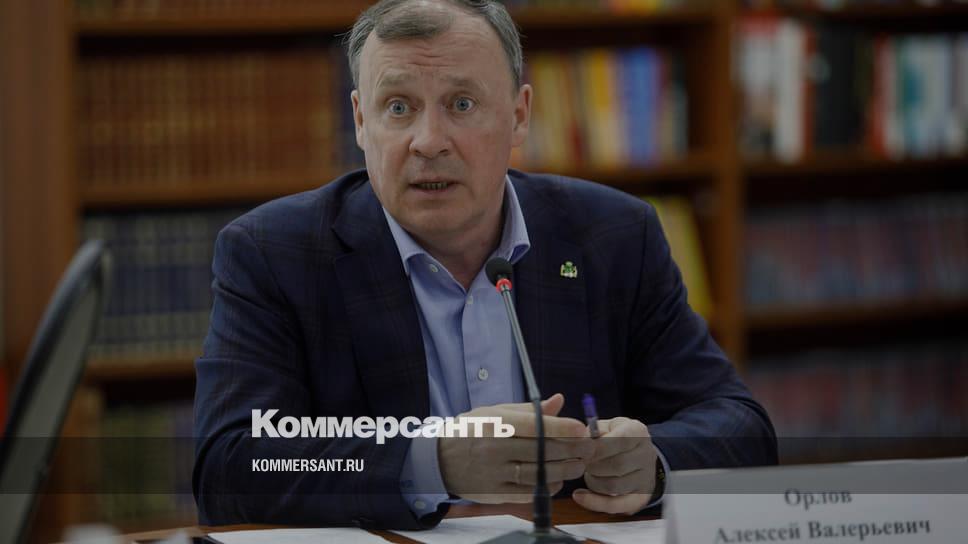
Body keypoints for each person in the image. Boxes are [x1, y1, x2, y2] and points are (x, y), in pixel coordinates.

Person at [193, 0, 777, 530]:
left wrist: (653, 462)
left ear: (519, 115)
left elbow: (741, 427)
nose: (428, 141)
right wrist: (432, 461)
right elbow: (232, 465)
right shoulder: (274, 253)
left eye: (462, 104)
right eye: (398, 107)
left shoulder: (614, 236)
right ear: (361, 122)